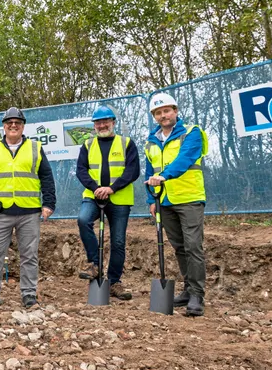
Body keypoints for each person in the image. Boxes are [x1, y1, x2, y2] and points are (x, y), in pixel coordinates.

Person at [0, 107, 56, 308]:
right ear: (4, 126)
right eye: (9, 122)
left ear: (23, 126)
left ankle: (29, 293)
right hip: (0, 212)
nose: (13, 125)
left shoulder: (35, 148)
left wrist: (49, 203)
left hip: (29, 211)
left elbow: (46, 176)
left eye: (17, 123)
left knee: (29, 255)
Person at [143, 92, 209, 317]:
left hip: (189, 198)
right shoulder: (151, 142)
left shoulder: (192, 133)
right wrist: (151, 199)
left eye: (167, 110)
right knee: (179, 247)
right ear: (155, 116)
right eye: (159, 112)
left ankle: (197, 295)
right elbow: (149, 171)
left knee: (193, 246)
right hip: (165, 200)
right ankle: (188, 289)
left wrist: (165, 176)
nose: (164, 115)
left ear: (175, 111)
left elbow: (186, 159)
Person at [76, 104, 140, 301]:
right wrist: (96, 188)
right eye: (98, 122)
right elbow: (81, 170)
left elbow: (132, 171)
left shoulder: (126, 143)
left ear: (113, 122)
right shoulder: (87, 145)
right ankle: (94, 264)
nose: (102, 125)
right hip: (93, 196)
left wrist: (112, 188)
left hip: (119, 198)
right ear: (94, 125)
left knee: (118, 241)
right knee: (83, 219)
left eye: (105, 121)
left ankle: (114, 282)